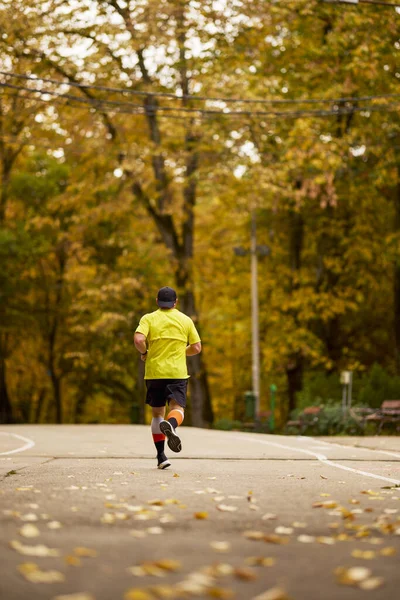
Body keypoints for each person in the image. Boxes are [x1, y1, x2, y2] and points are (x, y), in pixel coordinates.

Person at [134, 286, 202, 469]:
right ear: (176, 302)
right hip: (177, 373)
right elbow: (196, 347)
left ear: (157, 302)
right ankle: (172, 425)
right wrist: (182, 351)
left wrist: (145, 352)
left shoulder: (148, 318)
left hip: (154, 373)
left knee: (157, 415)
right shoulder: (185, 320)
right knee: (177, 408)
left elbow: (139, 340)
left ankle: (161, 457)